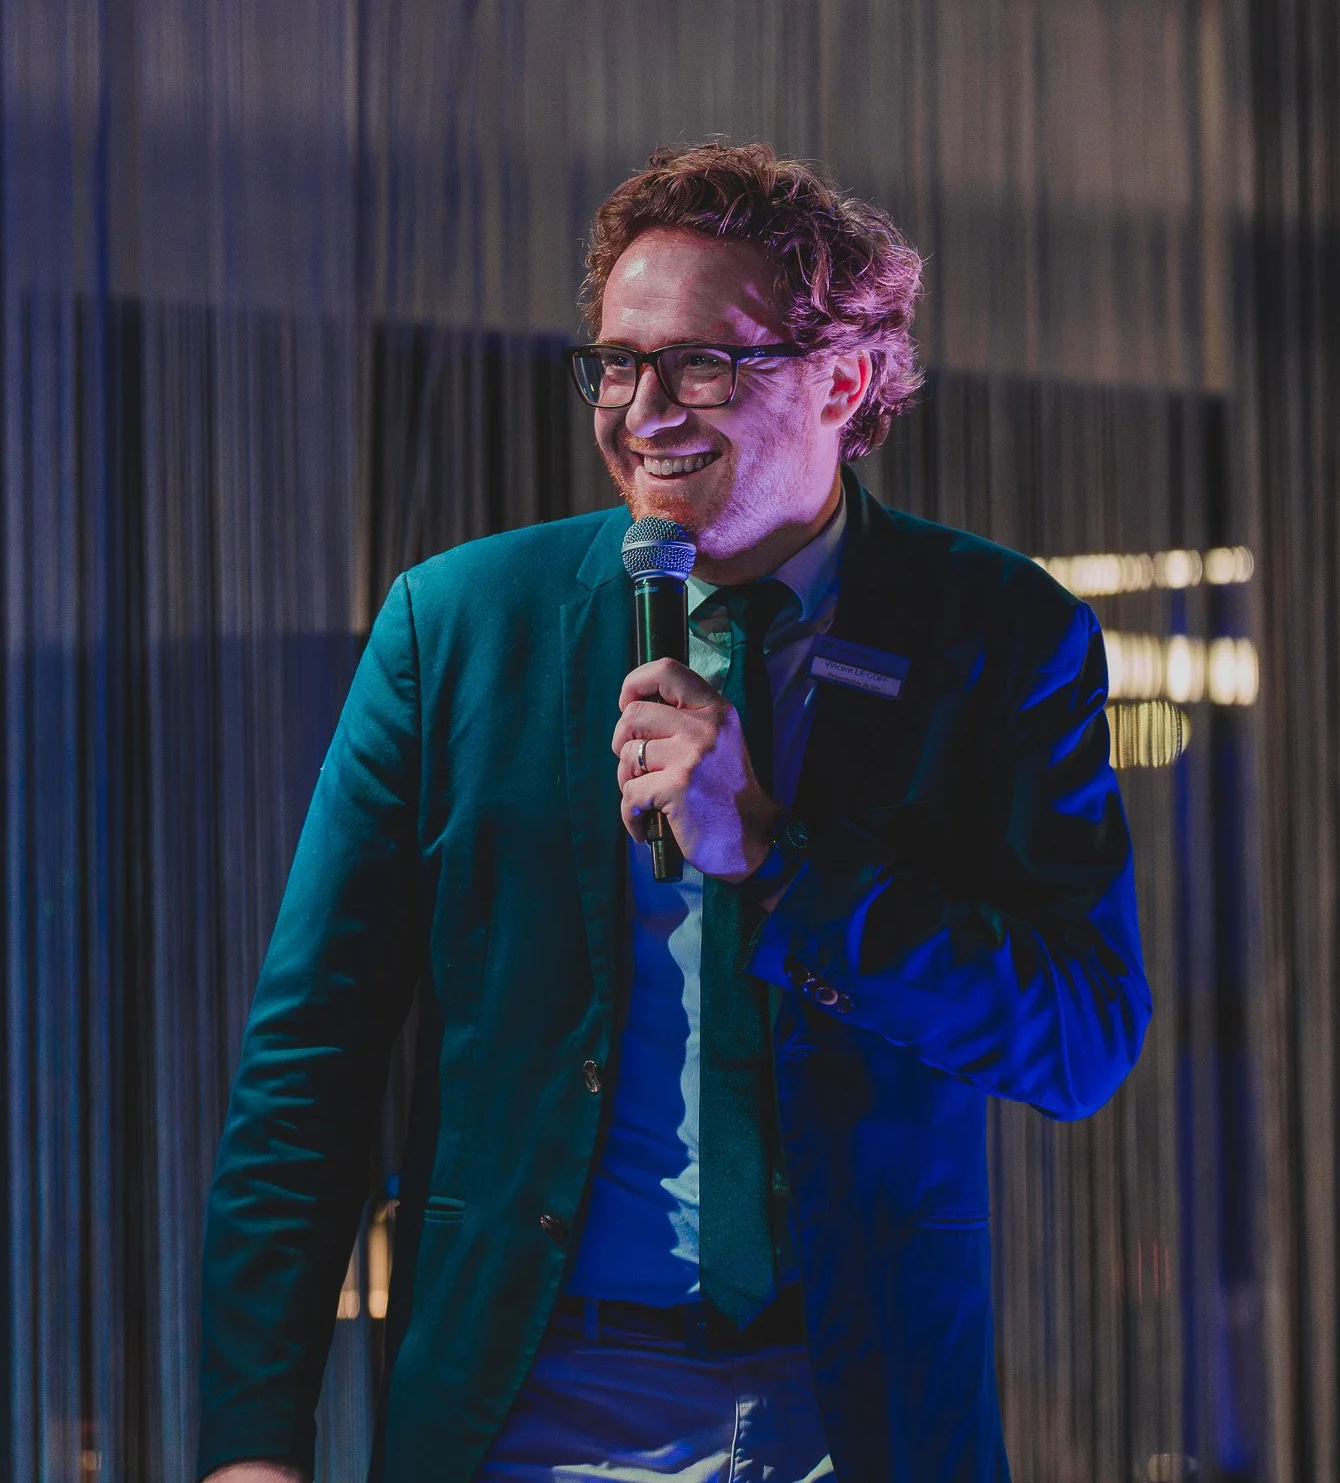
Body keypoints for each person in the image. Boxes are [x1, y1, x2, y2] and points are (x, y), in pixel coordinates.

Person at [198, 142, 1151, 1483]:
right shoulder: (460, 626)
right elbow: (311, 1066)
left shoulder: (995, 634)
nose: (645, 410)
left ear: (845, 380)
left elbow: (1083, 1037)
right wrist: (250, 1444)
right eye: (618, 362)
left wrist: (771, 857)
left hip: (857, 1406)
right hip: (528, 1409)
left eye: (706, 364)